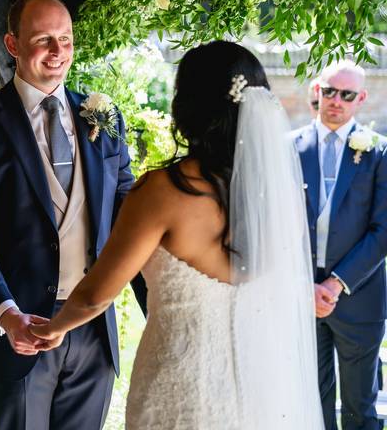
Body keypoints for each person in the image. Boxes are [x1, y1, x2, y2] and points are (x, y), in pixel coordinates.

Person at [32, 41, 323, 429]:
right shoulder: (275, 196)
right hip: (263, 391)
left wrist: (52, 329)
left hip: (181, 391)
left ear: (187, 106)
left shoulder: (162, 191)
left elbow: (95, 295)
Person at [0, 0, 144, 430]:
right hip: (20, 333)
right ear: (13, 45)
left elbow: (132, 219)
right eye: (44, 39)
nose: (58, 52)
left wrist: (162, 309)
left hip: (93, 328)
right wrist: (7, 314)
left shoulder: (102, 117)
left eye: (66, 40)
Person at [294, 60, 387, 430]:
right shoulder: (290, 148)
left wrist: (334, 284)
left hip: (358, 297)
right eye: (329, 91)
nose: (335, 100)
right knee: (310, 405)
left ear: (360, 98)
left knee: (359, 408)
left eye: (346, 94)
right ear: (317, 91)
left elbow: (383, 230)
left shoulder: (379, 153)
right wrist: (305, 286)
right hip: (300, 297)